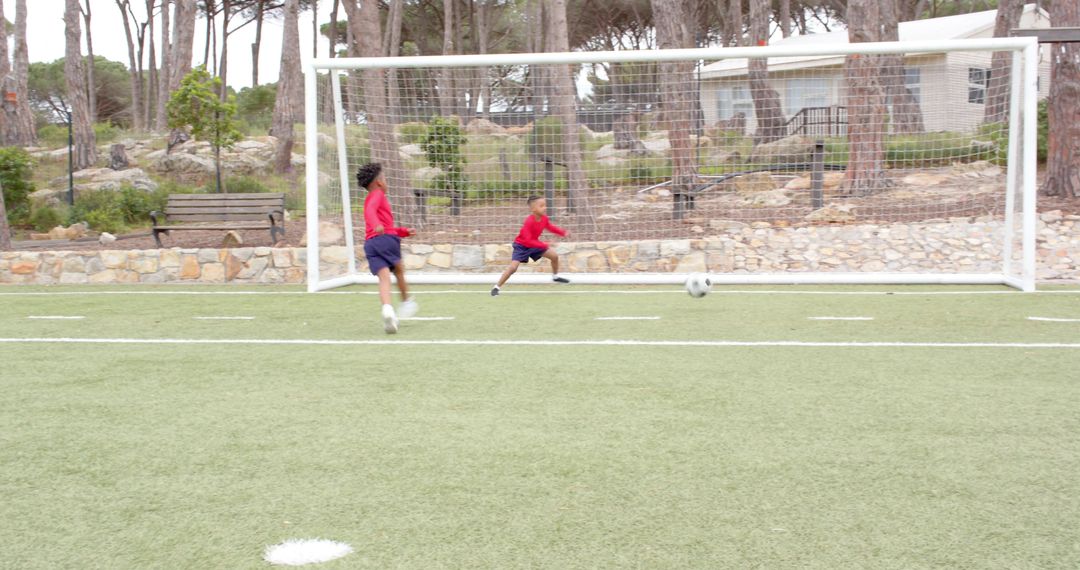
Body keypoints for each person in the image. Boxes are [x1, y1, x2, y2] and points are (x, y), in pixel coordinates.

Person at [358, 162, 417, 333]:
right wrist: (376, 223)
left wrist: (403, 231)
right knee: (399, 271)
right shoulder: (378, 194)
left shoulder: (369, 198)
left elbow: (385, 226)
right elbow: (371, 212)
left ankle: (387, 309)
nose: (386, 182)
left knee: (384, 278)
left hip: (371, 244)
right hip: (386, 240)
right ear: (379, 182)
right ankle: (406, 302)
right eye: (384, 178)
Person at [491, 196, 570, 296]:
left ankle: (555, 277)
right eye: (541, 206)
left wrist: (563, 233)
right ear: (533, 209)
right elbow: (528, 241)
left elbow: (550, 227)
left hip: (534, 244)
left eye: (545, 205)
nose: (545, 208)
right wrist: (545, 244)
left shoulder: (544, 219)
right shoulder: (529, 221)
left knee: (554, 256)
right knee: (513, 268)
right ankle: (496, 287)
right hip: (521, 246)